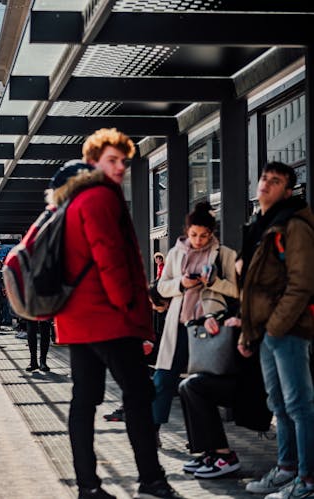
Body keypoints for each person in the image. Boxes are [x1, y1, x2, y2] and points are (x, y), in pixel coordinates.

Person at [49, 128, 181, 499]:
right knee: (139, 395)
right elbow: (111, 258)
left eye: (124, 160)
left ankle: (88, 487)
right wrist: (131, 312)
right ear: (93, 163)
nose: (120, 167)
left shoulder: (71, 200)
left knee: (85, 399)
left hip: (78, 320)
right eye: (112, 160)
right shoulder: (101, 197)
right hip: (107, 318)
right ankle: (151, 480)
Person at [238, 162, 314, 498]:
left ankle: (308, 480)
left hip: (289, 330)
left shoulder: (294, 225)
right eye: (264, 179)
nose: (266, 184)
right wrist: (249, 331)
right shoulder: (262, 226)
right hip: (268, 332)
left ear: (288, 190)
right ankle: (287, 470)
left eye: (276, 181)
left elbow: (302, 283)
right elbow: (253, 288)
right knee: (280, 404)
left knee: (299, 404)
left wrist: (276, 327)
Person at [153, 202, 239, 445]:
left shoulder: (225, 255)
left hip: (208, 327)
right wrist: (182, 283)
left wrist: (212, 282)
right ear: (187, 231)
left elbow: (236, 291)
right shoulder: (175, 252)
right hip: (179, 325)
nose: (198, 240)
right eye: (193, 235)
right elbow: (162, 286)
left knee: (200, 385)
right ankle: (154, 429)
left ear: (212, 233)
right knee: (164, 378)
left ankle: (199, 438)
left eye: (204, 235)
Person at [178, 314, 271, 479]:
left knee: (195, 387)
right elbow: (223, 311)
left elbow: (272, 317)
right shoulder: (242, 295)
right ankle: (211, 452)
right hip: (233, 369)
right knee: (186, 386)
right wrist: (209, 318)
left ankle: (224, 456)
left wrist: (245, 323)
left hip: (254, 377)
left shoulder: (261, 295)